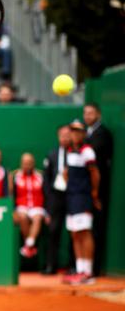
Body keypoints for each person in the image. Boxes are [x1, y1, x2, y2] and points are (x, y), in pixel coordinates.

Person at [63, 120, 100, 285]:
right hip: (71, 196)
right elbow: (67, 173)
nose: (75, 134)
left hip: (83, 196)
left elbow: (94, 173)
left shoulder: (88, 151)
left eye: (78, 131)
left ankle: (88, 272)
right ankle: (79, 270)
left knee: (84, 232)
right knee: (74, 233)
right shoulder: (70, 150)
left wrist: (94, 193)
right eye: (72, 131)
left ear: (83, 134)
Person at [83, 103, 113, 277]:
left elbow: (92, 159)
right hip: (87, 190)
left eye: (91, 113)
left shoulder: (102, 134)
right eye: (85, 113)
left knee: (97, 229)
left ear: (98, 114)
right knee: (85, 229)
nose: (87, 116)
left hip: (98, 191)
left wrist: (95, 192)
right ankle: (85, 267)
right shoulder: (89, 133)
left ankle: (95, 268)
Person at [43, 125, 72, 275]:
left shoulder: (76, 153)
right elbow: (46, 179)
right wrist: (48, 202)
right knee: (53, 231)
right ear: (58, 137)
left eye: (68, 135)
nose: (65, 138)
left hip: (72, 196)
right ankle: (50, 265)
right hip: (55, 197)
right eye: (62, 135)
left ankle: (73, 267)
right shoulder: (52, 154)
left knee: (74, 230)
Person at [12, 153, 45, 258]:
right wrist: (12, 211)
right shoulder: (15, 176)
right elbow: (10, 194)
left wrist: (48, 212)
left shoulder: (40, 176)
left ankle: (28, 244)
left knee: (38, 218)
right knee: (22, 216)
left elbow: (47, 194)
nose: (27, 165)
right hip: (22, 207)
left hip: (37, 207)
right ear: (21, 164)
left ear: (33, 163)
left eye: (29, 163)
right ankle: (30, 245)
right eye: (25, 163)